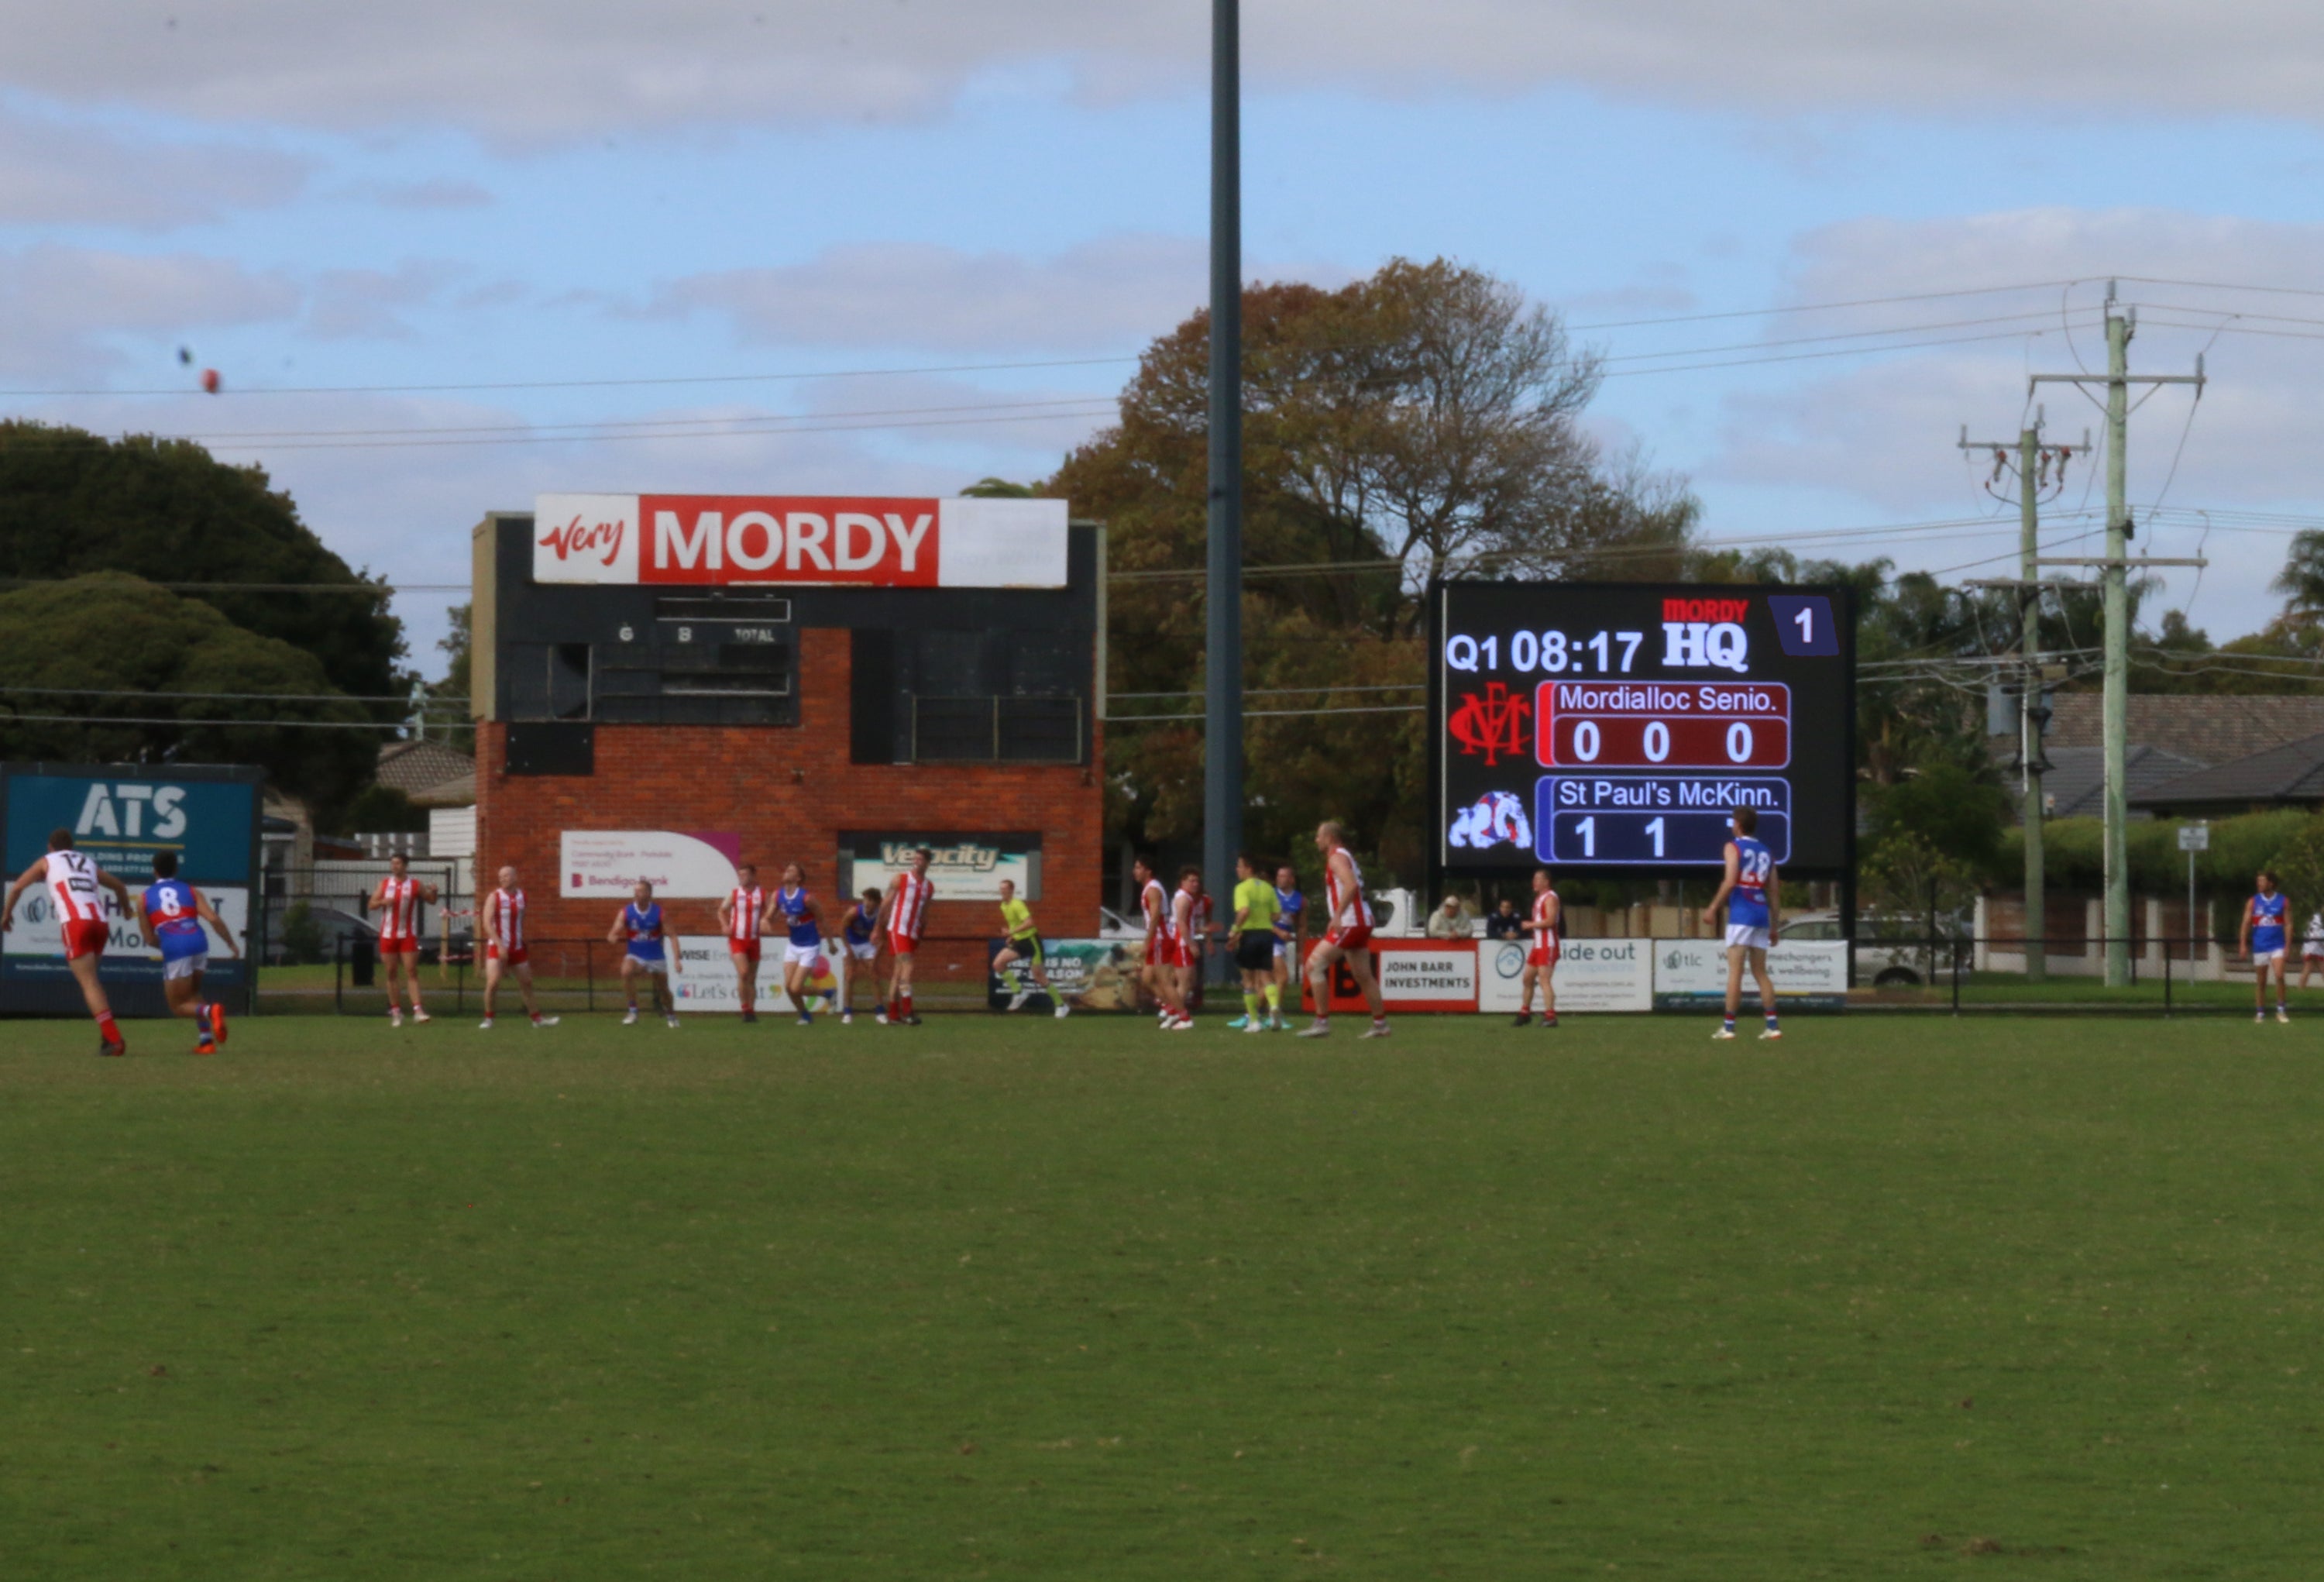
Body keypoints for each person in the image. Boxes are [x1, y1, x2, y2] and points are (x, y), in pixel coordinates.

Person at [2, 830, 136, 1055]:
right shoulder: (87, 861)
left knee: (89, 984)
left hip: (76, 923)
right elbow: (120, 887)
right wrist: (126, 910)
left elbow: (17, 887)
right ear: (71, 847)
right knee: (94, 982)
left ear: (50, 846)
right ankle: (107, 1037)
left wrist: (6, 914)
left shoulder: (48, 860)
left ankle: (114, 1040)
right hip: (100, 923)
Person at [138, 851, 239, 1054]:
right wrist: (231, 943)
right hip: (199, 942)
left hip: (176, 947)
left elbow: (149, 939)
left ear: (154, 871)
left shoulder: (144, 899)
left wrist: (169, 944)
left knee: (177, 1005)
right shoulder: (191, 891)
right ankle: (206, 1042)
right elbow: (213, 919)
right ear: (176, 869)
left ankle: (212, 1011)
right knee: (192, 994)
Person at [1299, 821, 1388, 1039]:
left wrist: (1337, 915)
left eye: (1319, 836)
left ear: (1329, 838)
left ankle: (1321, 1022)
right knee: (1363, 975)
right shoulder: (1346, 856)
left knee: (1313, 966)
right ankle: (1380, 1025)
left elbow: (1351, 885)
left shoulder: (1336, 857)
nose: (1316, 840)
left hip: (1351, 921)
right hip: (1361, 920)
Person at [1700, 807, 1781, 1041]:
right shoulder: (1766, 851)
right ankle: (1773, 1026)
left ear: (1738, 824)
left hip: (1741, 914)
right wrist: (1774, 925)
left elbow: (1730, 880)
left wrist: (1713, 907)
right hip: (1760, 912)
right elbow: (1774, 891)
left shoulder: (1733, 846)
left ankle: (1729, 1027)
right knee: (1760, 972)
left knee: (1735, 971)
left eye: (1733, 821)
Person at [479, 866, 558, 1030]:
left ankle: (537, 1019)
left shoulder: (523, 896)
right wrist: (500, 945)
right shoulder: (494, 897)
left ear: (515, 877)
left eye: (507, 875)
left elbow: (521, 920)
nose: (503, 879)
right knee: (493, 982)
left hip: (517, 947)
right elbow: (486, 923)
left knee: (527, 983)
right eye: (500, 876)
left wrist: (521, 939)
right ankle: (488, 1019)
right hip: (497, 947)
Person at [369, 852, 438, 1027]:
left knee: (411, 971)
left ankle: (418, 1010)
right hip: (387, 934)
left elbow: (431, 900)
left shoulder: (414, 884)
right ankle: (396, 1012)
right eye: (393, 863)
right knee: (391, 972)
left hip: (407, 934)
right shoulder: (385, 884)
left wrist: (435, 891)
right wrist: (383, 902)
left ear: (405, 866)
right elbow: (371, 904)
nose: (394, 866)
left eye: (398, 863)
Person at [772, 863, 837, 1025]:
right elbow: (769, 915)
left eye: (791, 870)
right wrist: (765, 921)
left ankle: (828, 993)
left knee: (795, 988)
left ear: (798, 878)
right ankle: (806, 1016)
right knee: (789, 987)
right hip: (793, 945)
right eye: (786, 869)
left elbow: (822, 919)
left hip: (810, 946)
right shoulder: (778, 895)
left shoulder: (806, 898)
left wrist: (831, 943)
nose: (786, 872)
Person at [993, 877, 1068, 1016]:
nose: (1002, 891)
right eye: (1001, 889)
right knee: (998, 964)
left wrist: (1011, 932)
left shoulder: (1017, 904)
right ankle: (1019, 993)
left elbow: (1029, 923)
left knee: (1039, 977)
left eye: (1004, 889)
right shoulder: (1003, 905)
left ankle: (1061, 1005)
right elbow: (1015, 924)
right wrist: (1012, 936)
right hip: (1019, 941)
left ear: (1011, 891)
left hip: (1031, 941)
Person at [609, 879, 680, 1027]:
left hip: (656, 956)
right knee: (626, 971)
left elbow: (672, 936)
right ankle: (633, 1011)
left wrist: (677, 960)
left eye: (640, 891)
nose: (636, 894)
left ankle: (671, 1015)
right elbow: (614, 930)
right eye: (635, 891)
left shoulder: (659, 913)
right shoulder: (626, 912)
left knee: (664, 990)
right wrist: (613, 936)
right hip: (635, 955)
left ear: (648, 894)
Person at [1134, 855, 1189, 1030]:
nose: (1135, 871)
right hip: (1157, 938)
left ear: (1148, 871)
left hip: (1160, 938)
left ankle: (1184, 1018)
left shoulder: (1152, 889)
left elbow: (1156, 916)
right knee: (1147, 978)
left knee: (1165, 981)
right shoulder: (1149, 888)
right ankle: (1170, 1009)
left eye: (1138, 867)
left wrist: (1147, 941)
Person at [880, 848, 933, 1027]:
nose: (916, 861)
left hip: (912, 932)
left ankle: (894, 1015)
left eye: (920, 859)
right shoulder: (901, 879)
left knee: (898, 973)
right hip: (898, 929)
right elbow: (885, 903)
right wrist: (877, 928)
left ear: (927, 863)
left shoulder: (929, 886)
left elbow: (925, 913)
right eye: (915, 858)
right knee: (908, 966)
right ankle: (908, 1012)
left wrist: (921, 933)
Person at [1227, 855, 1277, 1033]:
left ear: (1249, 868)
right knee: (1267, 977)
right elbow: (1277, 915)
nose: (1237, 870)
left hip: (1249, 935)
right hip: (1266, 934)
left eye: (1240, 866)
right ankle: (1274, 1008)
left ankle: (1254, 1021)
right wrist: (1263, 917)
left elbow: (1244, 911)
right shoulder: (1268, 888)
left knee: (1248, 980)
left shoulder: (1242, 888)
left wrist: (1234, 929)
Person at [717, 864, 768, 1023]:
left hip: (754, 940)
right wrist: (725, 925)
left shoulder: (762, 894)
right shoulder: (734, 894)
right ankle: (745, 1007)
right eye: (740, 875)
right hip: (737, 939)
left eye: (745, 875)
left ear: (753, 876)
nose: (742, 878)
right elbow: (721, 911)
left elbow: (773, 910)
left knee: (752, 978)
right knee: (744, 972)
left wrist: (767, 921)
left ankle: (751, 1012)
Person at [2240, 869, 2291, 1024]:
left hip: (2277, 945)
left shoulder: (2283, 901)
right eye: (2258, 881)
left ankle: (2281, 1010)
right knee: (2261, 981)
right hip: (2260, 945)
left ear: (2271, 883)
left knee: (2280, 975)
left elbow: (2288, 924)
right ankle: (2260, 1012)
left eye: (2262, 881)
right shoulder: (2253, 902)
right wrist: (2242, 944)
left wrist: (2288, 946)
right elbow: (2246, 923)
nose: (2259, 884)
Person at [1511, 868, 1559, 1029]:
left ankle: (1550, 1016)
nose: (1535, 882)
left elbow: (1550, 921)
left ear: (1546, 882)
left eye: (1538, 879)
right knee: (1527, 978)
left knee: (1544, 980)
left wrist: (1530, 925)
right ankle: (1525, 1013)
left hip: (1548, 944)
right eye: (1534, 879)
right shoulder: (1539, 898)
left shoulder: (1550, 898)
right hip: (1538, 944)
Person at [1268, 863, 1305, 1030]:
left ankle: (1252, 1014)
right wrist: (1278, 931)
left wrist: (1300, 951)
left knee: (1268, 984)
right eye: (1278, 876)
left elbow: (1302, 926)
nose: (1279, 879)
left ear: (1291, 879)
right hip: (1269, 940)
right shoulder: (1271, 895)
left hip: (1282, 943)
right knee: (1282, 978)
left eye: (1283, 876)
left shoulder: (1300, 899)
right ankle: (1275, 1014)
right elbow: (1261, 919)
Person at [840, 887, 881, 1024]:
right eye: (866, 899)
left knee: (874, 976)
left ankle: (880, 1012)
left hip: (868, 944)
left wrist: (876, 958)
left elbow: (883, 939)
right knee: (850, 976)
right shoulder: (854, 912)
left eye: (871, 900)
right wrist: (848, 949)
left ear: (877, 903)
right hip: (852, 943)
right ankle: (847, 1012)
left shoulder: (880, 916)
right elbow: (842, 929)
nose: (867, 903)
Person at [2299, 907, 2324, 989]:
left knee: (2310, 968)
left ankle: (2301, 988)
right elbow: (2318, 934)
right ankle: (2301, 988)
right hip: (2315, 947)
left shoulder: (2314, 918)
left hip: (2312, 947)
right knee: (2309, 967)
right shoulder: (2318, 920)